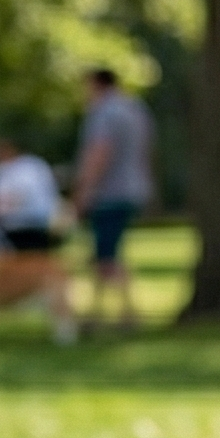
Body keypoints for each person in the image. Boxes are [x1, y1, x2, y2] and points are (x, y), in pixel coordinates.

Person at [74, 68, 154, 326]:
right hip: (134, 188)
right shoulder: (135, 109)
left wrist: (84, 190)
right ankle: (100, 312)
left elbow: (100, 152)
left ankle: (122, 313)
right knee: (107, 253)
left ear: (96, 84)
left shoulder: (104, 112)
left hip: (109, 192)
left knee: (105, 255)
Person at [0, 137, 62, 250]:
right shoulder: (35, 165)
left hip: (25, 226)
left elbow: (12, 197)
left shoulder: (24, 168)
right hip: (24, 226)